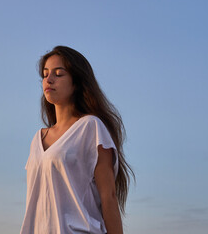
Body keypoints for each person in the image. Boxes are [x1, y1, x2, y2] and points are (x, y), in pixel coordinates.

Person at [20, 46, 134, 234]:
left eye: (58, 74)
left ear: (76, 83)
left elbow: (109, 197)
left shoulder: (91, 127)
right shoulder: (37, 139)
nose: (49, 79)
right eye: (45, 74)